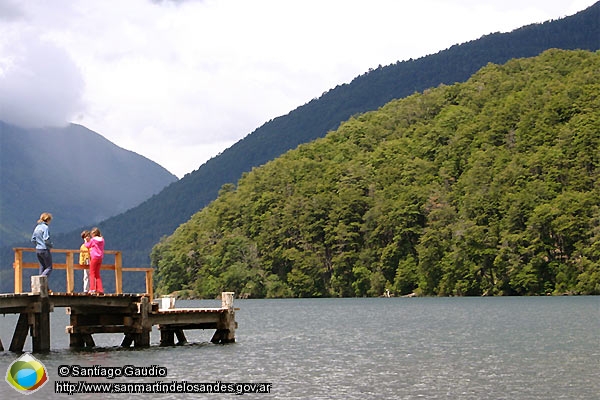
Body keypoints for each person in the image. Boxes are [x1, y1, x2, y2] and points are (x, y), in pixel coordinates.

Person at [31, 212, 54, 282]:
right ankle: (40, 280)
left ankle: (40, 285)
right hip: (44, 249)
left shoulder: (37, 227)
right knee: (49, 267)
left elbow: (33, 239)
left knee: (42, 266)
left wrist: (38, 244)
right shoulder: (45, 227)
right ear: (48, 220)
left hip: (38, 250)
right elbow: (46, 239)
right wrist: (50, 245)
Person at [84, 227, 105, 294]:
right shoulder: (102, 240)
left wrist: (86, 241)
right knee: (97, 274)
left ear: (93, 234)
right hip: (100, 258)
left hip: (94, 258)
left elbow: (87, 245)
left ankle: (92, 289)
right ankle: (100, 289)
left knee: (92, 273)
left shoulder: (93, 240)